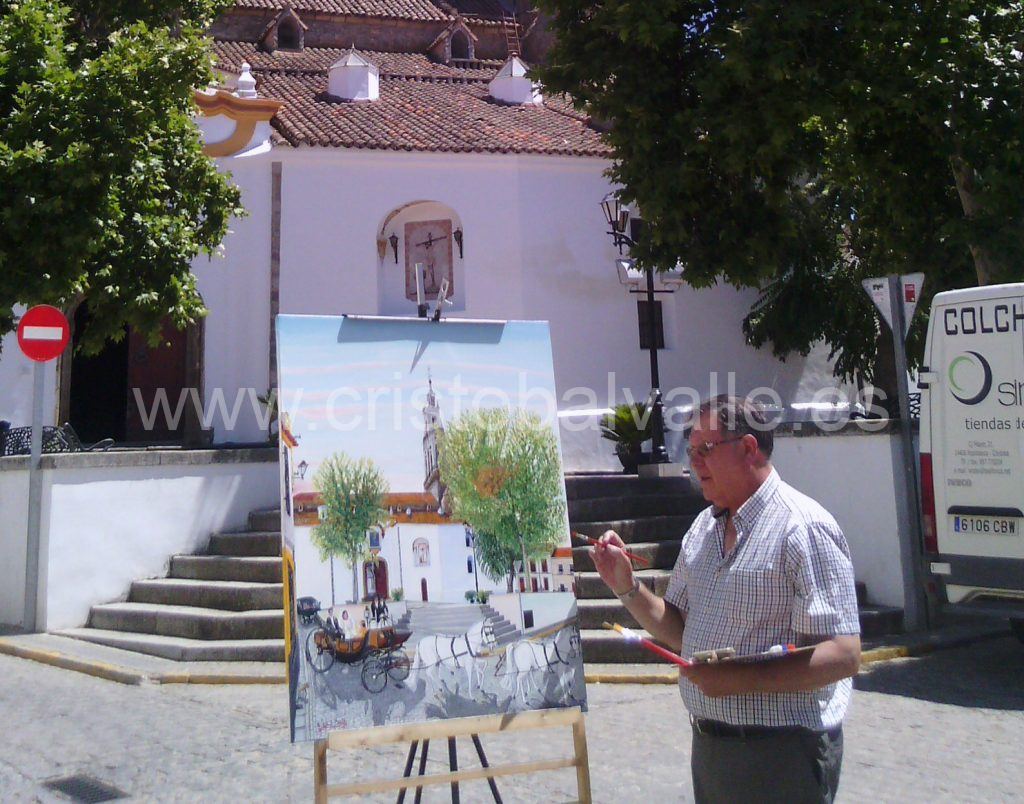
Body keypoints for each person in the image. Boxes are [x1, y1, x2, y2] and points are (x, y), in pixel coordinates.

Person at [593, 395, 861, 803]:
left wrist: (738, 680)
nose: (693, 462)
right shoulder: (703, 528)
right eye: (690, 449)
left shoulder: (803, 527)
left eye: (705, 449)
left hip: (782, 753)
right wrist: (626, 586)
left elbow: (843, 654)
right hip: (712, 750)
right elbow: (679, 629)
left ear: (748, 448)